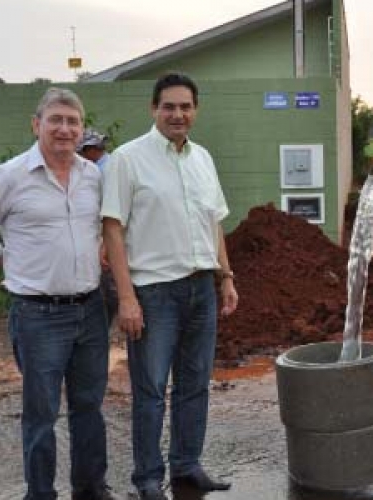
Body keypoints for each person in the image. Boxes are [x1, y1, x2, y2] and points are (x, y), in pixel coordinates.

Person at [0, 88, 121, 500]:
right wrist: (9, 261)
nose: (65, 129)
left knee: (89, 407)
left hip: (90, 309)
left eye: (72, 121)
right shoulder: (10, 175)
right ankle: (41, 493)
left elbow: (105, 227)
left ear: (81, 129)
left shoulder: (92, 176)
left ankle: (90, 487)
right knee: (41, 414)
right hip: (38, 316)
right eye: (56, 120)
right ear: (37, 125)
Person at [101, 72, 239, 500]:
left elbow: (213, 221)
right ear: (153, 109)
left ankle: (186, 465)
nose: (177, 114)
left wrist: (226, 276)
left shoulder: (203, 159)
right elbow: (112, 228)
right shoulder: (128, 159)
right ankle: (146, 479)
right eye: (169, 107)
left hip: (201, 287)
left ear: (195, 110)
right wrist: (126, 297)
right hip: (154, 293)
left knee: (195, 384)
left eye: (185, 107)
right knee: (150, 391)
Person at [77, 129, 118, 326]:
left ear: (91, 150)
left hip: (107, 239)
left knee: (106, 290)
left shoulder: (101, 172)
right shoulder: (111, 165)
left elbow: (108, 212)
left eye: (81, 152)